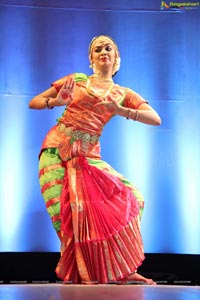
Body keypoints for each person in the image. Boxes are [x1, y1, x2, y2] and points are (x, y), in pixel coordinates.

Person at [29, 35, 161, 285]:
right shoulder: (77, 81)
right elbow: (33, 102)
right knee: (66, 216)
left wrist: (122, 110)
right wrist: (56, 102)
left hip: (88, 156)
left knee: (134, 198)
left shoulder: (122, 93)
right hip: (57, 150)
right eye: (97, 49)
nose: (103, 51)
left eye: (108, 47)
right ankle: (81, 274)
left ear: (117, 59)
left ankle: (121, 270)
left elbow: (155, 118)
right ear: (91, 59)